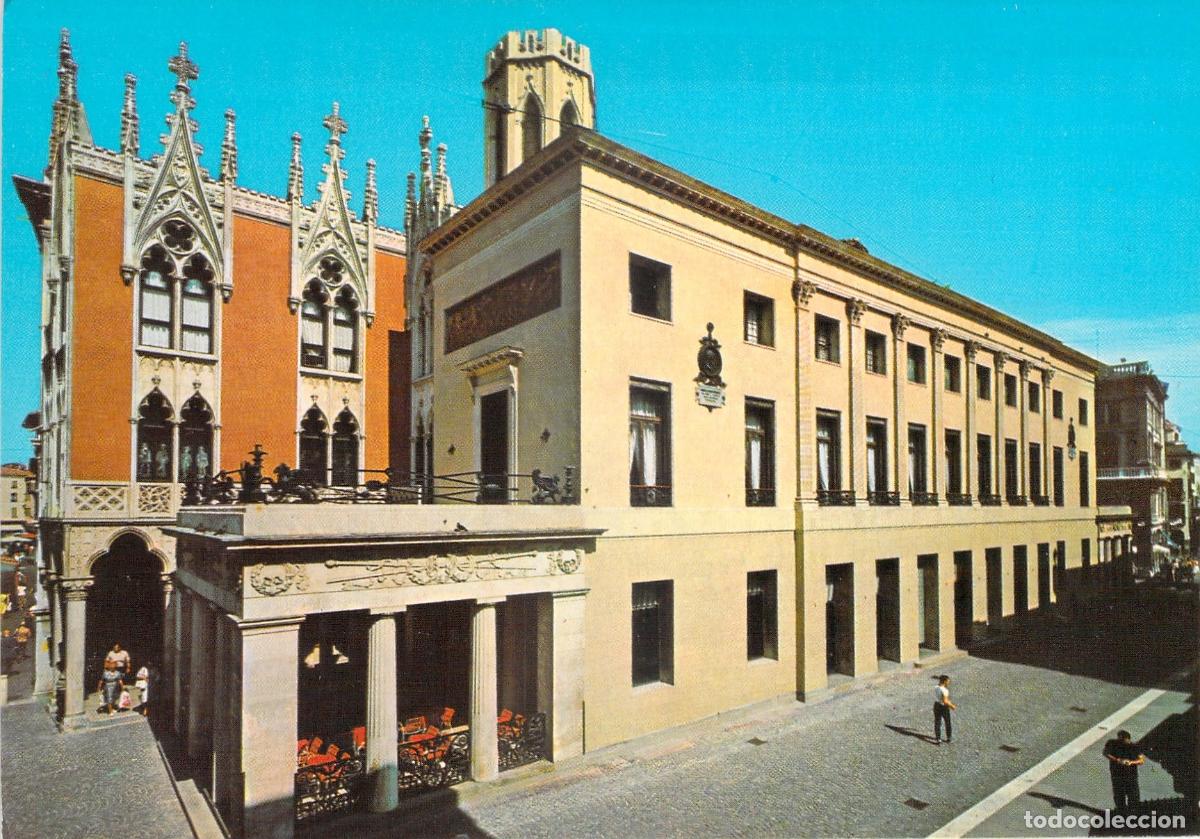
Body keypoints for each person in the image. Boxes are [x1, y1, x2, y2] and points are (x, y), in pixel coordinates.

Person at [1103, 730, 1145, 811]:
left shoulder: (1134, 747)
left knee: (1133, 797)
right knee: (1119, 796)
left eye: (1124, 741)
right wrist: (1117, 760)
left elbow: (1141, 760)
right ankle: (1121, 812)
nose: (1122, 742)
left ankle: (1132, 813)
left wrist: (1131, 762)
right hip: (1117, 775)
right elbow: (1105, 753)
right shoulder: (1112, 743)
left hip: (1131, 776)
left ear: (1128, 739)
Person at [934, 674, 956, 744]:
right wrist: (952, 706)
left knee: (937, 722)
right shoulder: (945, 690)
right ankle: (948, 737)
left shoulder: (936, 687)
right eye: (948, 681)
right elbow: (945, 701)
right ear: (944, 681)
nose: (949, 682)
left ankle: (938, 738)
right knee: (947, 722)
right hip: (943, 707)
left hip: (936, 705)